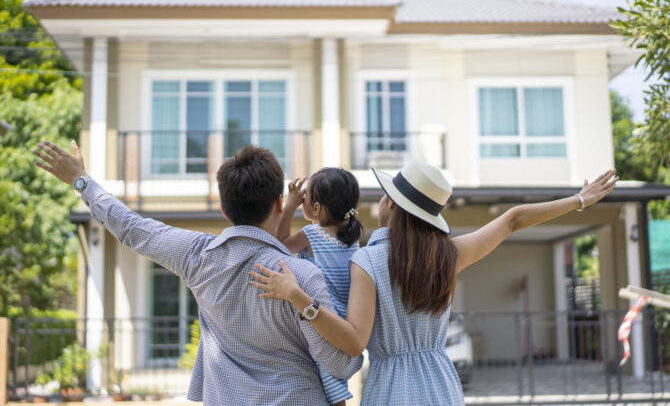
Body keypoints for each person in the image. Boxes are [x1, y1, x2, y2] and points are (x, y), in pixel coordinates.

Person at [250, 160, 618, 406]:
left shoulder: (367, 260)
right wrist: (579, 200)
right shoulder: (447, 255)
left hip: (391, 388)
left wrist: (300, 299)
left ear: (392, 207)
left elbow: (354, 340)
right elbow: (512, 221)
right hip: (442, 383)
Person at [33, 140, 362, 406]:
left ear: (223, 209)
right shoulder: (302, 276)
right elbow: (339, 365)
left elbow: (131, 228)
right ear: (279, 203)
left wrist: (81, 181)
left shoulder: (197, 256)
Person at [275, 168, 364, 405]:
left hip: (322, 317)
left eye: (304, 196)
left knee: (330, 387)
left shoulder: (312, 233)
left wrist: (289, 206)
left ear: (316, 209)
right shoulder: (351, 236)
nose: (301, 198)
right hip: (346, 321)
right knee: (332, 383)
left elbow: (280, 244)